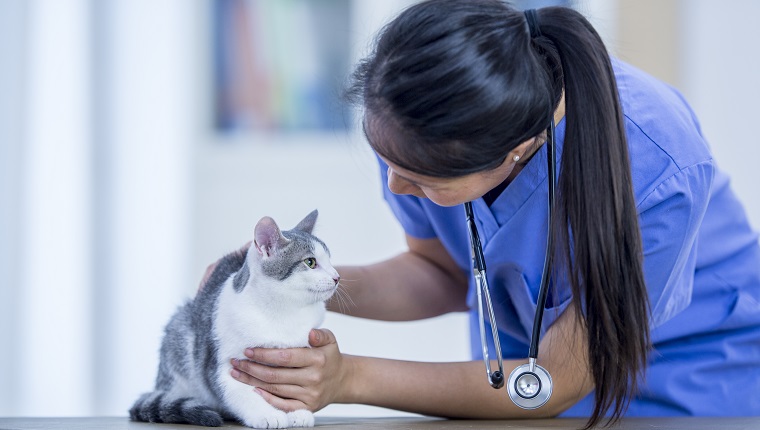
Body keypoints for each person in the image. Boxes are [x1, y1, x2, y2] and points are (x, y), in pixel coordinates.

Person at [221, 0, 760, 427]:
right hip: (522, 394)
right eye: (387, 161)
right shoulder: (420, 124)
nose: (397, 186)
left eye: (423, 180)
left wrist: (347, 379)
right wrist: (284, 284)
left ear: (515, 153)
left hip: (691, 381)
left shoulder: (661, 167)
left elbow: (554, 376)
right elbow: (440, 274)